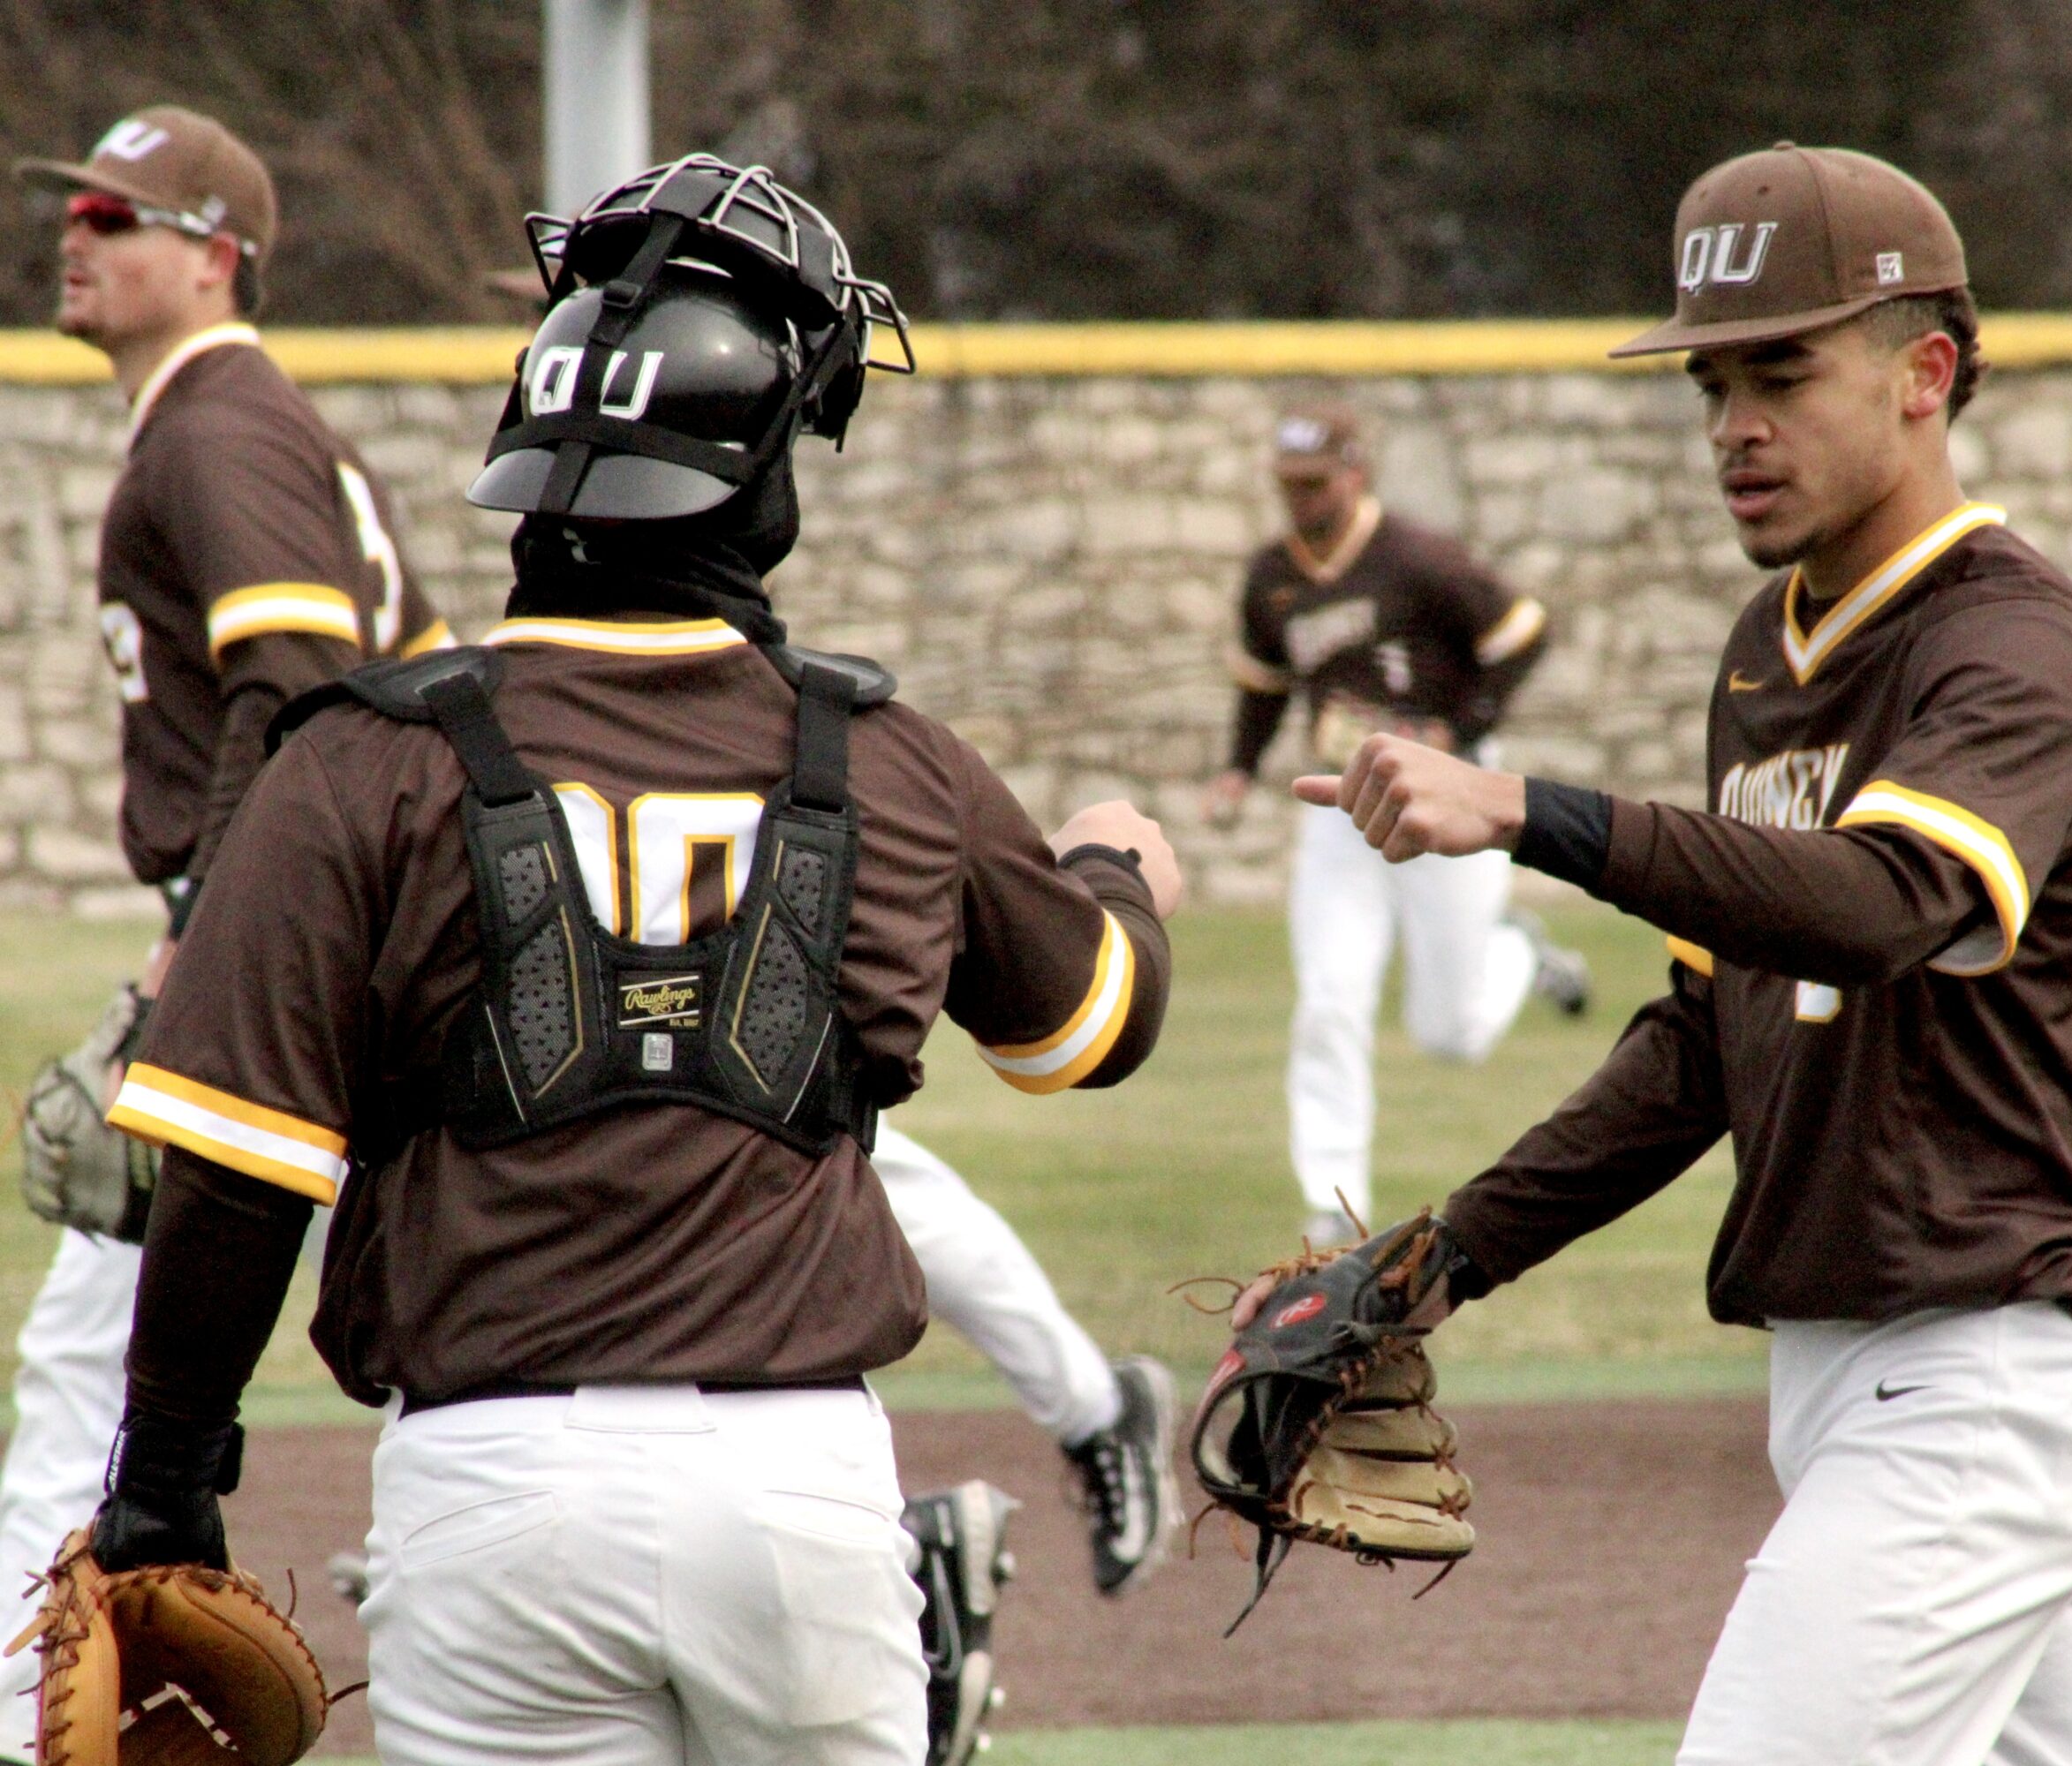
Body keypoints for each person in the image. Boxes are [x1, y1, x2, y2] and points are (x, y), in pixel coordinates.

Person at [94, 154, 1178, 1766]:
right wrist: (1117, 863)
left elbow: (235, 1182)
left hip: (492, 1494)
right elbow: (1092, 1026)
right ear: (758, 483)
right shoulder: (893, 759)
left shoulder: (355, 764)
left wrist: (165, 1494)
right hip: (803, 1495)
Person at [1282, 144, 2072, 1764]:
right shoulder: (1765, 653)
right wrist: (1438, 1262)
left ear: (1927, 373)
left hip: (1987, 1369)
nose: (1733, 427)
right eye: (1710, 383)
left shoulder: (2011, 640)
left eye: (1783, 371)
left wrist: (1532, 812)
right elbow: (1708, 1040)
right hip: (1860, 1377)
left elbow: (1889, 901)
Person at [0, 106, 450, 1762]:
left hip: (322, 934)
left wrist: (209, 925)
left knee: (89, 1349)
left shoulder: (217, 427)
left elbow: (299, 681)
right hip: (370, 926)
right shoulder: (231, 420)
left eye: (120, 213)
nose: (80, 232)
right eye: (77, 207)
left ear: (215, 257)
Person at [1205, 407, 1586, 1243]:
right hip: (1343, 809)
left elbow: (1523, 633)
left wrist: (1464, 726)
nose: (1300, 500)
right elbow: (1263, 682)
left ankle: (1518, 949)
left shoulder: (1418, 558)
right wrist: (1238, 768)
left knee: (1449, 1034)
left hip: (1449, 801)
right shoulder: (1273, 575)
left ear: (1356, 475)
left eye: (1315, 483)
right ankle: (1331, 1201)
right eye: (1287, 484)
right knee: (1330, 998)